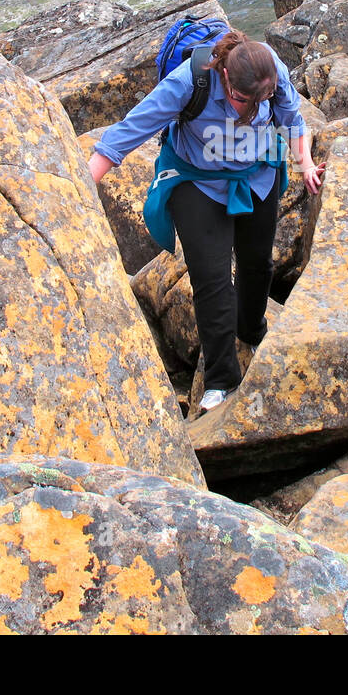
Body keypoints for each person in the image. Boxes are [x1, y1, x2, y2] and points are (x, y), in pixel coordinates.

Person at [87, 29, 324, 413]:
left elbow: (292, 120)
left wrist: (307, 164)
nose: (246, 109)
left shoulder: (271, 75)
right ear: (225, 76)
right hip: (197, 181)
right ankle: (220, 379)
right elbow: (130, 130)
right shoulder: (188, 82)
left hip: (255, 174)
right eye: (242, 99)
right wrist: (83, 185)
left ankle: (252, 331)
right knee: (212, 278)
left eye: (259, 100)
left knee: (257, 265)